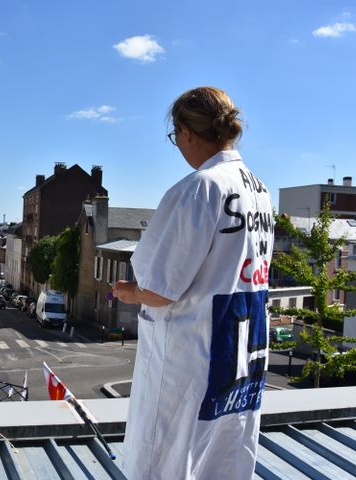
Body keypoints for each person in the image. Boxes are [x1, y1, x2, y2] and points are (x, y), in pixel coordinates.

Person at [113, 86, 274, 479]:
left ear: (186, 131)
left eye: (175, 136)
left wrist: (129, 292)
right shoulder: (259, 190)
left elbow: (159, 288)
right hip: (240, 359)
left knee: (167, 462)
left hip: (191, 360)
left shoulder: (199, 188)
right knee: (224, 458)